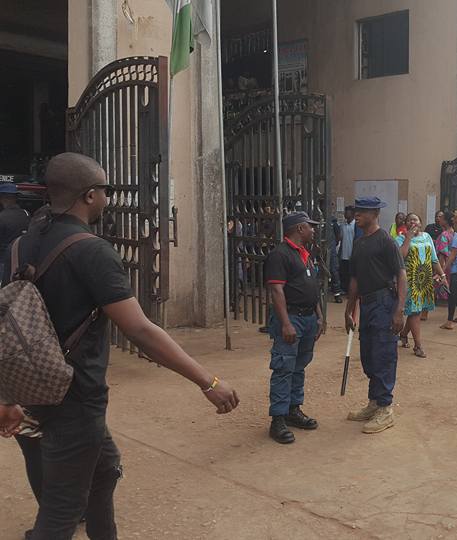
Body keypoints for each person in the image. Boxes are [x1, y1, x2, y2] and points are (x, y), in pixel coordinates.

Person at [5, 153, 239, 539]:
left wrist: (7, 395)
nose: (107, 198)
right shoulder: (91, 251)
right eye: (105, 190)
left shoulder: (22, 244)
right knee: (60, 512)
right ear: (90, 195)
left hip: (34, 389)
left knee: (105, 467)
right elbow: (141, 331)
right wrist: (209, 382)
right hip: (74, 397)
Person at [343, 196, 407, 434]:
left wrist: (399, 310)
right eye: (356, 210)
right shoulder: (359, 243)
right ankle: (374, 403)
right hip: (367, 304)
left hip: (383, 303)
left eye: (361, 211)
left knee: (383, 354)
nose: (356, 214)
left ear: (374, 213)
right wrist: (350, 310)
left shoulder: (386, 241)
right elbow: (355, 280)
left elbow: (401, 275)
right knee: (369, 355)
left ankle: (385, 409)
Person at [264, 211, 327, 444]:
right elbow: (276, 291)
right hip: (292, 319)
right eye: (310, 226)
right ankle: (278, 419)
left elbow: (313, 288)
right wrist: (286, 323)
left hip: (309, 318)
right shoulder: (280, 255)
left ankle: (293, 410)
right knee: (284, 367)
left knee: (299, 366)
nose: (313, 230)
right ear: (299, 229)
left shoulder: (305, 254)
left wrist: (319, 316)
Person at [397, 213, 444, 358]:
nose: (412, 222)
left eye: (415, 219)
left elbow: (434, 259)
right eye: (409, 220)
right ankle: (418, 346)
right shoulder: (400, 238)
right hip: (409, 281)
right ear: (406, 224)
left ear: (420, 222)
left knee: (415, 311)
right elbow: (399, 258)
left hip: (424, 280)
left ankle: (404, 334)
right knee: (415, 312)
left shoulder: (427, 237)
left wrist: (442, 276)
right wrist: (408, 238)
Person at [0, 182, 30, 285]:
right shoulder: (26, 214)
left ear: (2, 198)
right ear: (15, 198)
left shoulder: (2, 217)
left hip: (3, 262)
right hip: (23, 262)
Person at [339, 205, 357, 291]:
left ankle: (351, 291)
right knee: (344, 273)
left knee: (351, 274)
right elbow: (341, 238)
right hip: (344, 254)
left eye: (347, 212)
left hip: (352, 254)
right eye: (345, 212)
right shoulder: (343, 225)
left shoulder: (356, 225)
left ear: (352, 214)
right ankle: (345, 289)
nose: (345, 214)